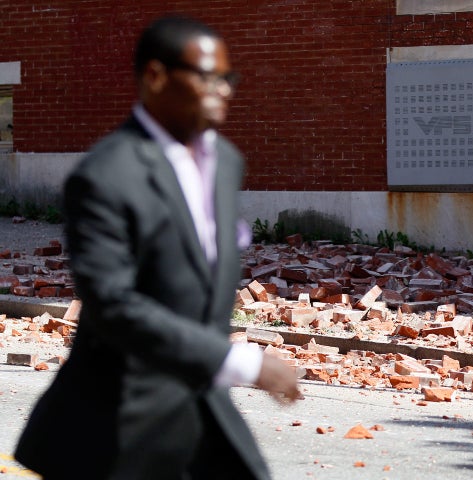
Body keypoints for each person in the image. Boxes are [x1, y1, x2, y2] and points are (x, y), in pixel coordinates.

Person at [15, 15, 300, 480]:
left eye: (228, 78)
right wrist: (238, 361)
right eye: (208, 77)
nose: (224, 90)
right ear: (155, 76)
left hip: (199, 415)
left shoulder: (226, 162)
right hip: (116, 431)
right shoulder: (106, 174)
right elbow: (113, 305)